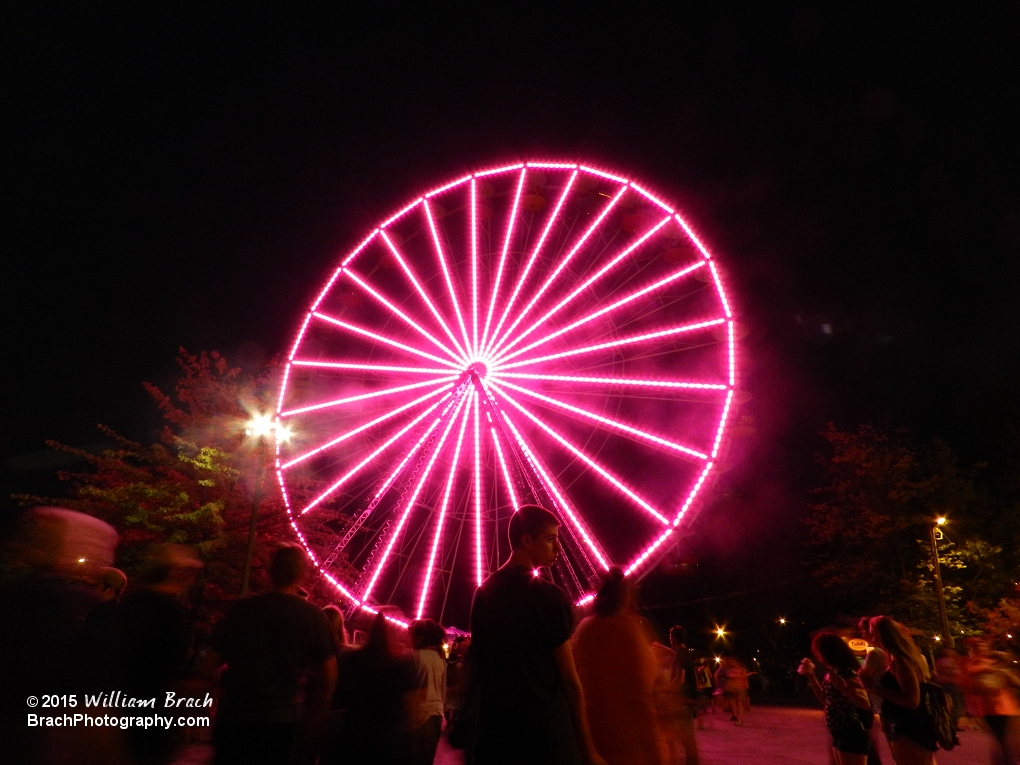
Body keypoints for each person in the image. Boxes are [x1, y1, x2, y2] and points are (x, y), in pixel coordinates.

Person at [470, 504, 606, 765]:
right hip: (544, 734)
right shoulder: (549, 597)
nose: (558, 548)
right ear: (527, 540)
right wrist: (589, 750)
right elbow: (569, 680)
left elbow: (481, 665)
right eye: (550, 539)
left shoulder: (482, 594)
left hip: (496, 734)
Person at [205, 545, 337, 765]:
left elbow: (209, 663)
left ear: (270, 571)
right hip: (283, 719)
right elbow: (329, 676)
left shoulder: (241, 609)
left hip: (235, 717)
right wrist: (313, 716)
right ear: (302, 574)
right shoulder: (313, 616)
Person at [572, 568, 668, 765]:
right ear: (625, 596)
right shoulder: (630, 628)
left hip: (595, 732)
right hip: (633, 737)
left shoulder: (583, 629)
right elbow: (646, 683)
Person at [859, 616, 937, 764]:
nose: (871, 637)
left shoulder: (900, 661)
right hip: (911, 725)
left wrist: (874, 686)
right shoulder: (905, 657)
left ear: (882, 634)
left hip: (910, 727)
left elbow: (912, 700)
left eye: (872, 632)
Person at [800, 632, 874, 765]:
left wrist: (845, 688)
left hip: (851, 733)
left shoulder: (847, 673)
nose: (818, 655)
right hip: (839, 732)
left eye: (818, 651)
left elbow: (865, 704)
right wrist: (811, 676)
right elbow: (826, 700)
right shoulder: (832, 673)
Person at [959, 635, 1020, 763]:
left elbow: (1010, 674)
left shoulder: (991, 661)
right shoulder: (973, 664)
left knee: (1008, 739)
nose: (982, 649)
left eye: (983, 646)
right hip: (991, 709)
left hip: (1006, 706)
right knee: (1002, 739)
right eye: (978, 647)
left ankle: (1005, 760)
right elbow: (970, 681)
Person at [407, 619, 448, 765]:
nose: (407, 638)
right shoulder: (438, 659)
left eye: (409, 634)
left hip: (419, 717)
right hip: (436, 715)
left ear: (419, 638)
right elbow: (442, 691)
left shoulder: (413, 658)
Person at [668, 625, 702, 760]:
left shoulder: (680, 655)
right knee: (686, 739)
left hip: (683, 702)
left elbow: (679, 679)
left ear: (674, 638)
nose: (670, 639)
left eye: (670, 636)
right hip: (688, 701)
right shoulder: (685, 653)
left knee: (686, 739)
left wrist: (665, 691)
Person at [714, 657, 749, 725]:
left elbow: (717, 675)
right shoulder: (739, 669)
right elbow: (744, 678)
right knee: (737, 704)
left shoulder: (729, 669)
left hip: (734, 687)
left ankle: (737, 717)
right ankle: (738, 718)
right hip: (737, 687)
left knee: (735, 703)